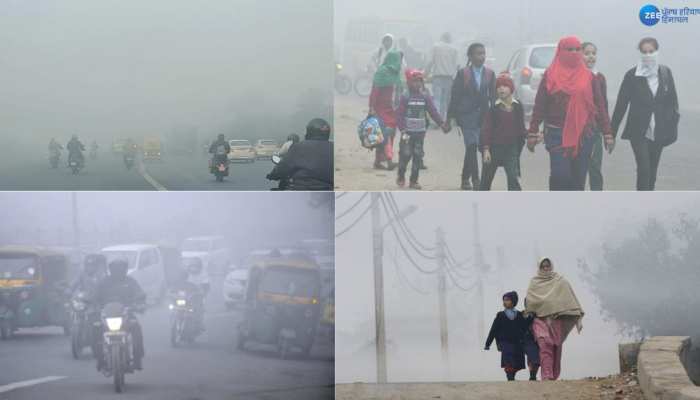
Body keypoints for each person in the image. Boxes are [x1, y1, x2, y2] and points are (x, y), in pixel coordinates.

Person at [527, 36, 613, 191]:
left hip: (584, 135)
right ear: (561, 52)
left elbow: (600, 106)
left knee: (578, 179)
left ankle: (574, 212)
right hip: (556, 133)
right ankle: (556, 208)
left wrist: (607, 133)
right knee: (560, 176)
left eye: (577, 50)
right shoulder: (550, 76)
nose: (574, 53)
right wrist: (532, 132)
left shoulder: (589, 77)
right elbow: (539, 106)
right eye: (569, 50)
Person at [610, 37, 679, 191]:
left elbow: (673, 103)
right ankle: (641, 201)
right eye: (644, 52)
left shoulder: (665, 73)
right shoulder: (632, 75)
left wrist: (671, 128)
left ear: (657, 51)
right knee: (644, 169)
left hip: (659, 131)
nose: (648, 55)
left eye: (651, 51)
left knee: (653, 171)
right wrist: (611, 133)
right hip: (638, 131)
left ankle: (649, 202)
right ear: (640, 53)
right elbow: (621, 105)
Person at [524, 258, 584, 381]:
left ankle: (553, 376)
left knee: (556, 348)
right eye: (543, 266)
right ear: (539, 268)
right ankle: (547, 375)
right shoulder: (534, 283)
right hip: (540, 321)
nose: (546, 268)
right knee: (545, 344)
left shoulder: (561, 282)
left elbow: (571, 302)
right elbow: (530, 304)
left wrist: (578, 320)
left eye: (548, 266)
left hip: (556, 321)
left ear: (551, 266)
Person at [447, 43, 496, 190]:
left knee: (479, 147)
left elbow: (493, 97)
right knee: (472, 146)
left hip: (483, 116)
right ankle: (476, 180)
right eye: (478, 53)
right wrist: (449, 118)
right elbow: (455, 96)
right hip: (466, 115)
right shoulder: (463, 74)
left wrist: (495, 117)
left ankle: (464, 179)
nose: (481, 56)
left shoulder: (490, 74)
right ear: (470, 56)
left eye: (483, 53)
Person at [395, 69, 448, 189]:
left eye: (420, 81)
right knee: (405, 154)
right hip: (407, 133)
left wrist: (441, 123)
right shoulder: (405, 96)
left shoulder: (425, 96)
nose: (418, 83)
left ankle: (414, 181)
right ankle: (401, 175)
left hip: (420, 133)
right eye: (414, 81)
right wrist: (402, 129)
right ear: (409, 82)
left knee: (417, 156)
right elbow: (399, 115)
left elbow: (433, 111)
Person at [91, 259, 146, 371]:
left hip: (126, 313)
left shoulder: (130, 281)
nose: (118, 271)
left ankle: (137, 359)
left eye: (121, 269)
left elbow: (139, 293)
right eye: (115, 269)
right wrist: (92, 305)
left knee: (136, 330)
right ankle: (99, 359)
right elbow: (94, 296)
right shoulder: (103, 282)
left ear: (125, 270)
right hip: (106, 314)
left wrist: (139, 304)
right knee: (95, 329)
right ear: (111, 270)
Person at [479, 74, 526, 191]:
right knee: (485, 181)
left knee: (513, 178)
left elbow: (521, 128)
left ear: (511, 88)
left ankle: (517, 205)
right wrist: (486, 149)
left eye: (505, 86)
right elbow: (487, 129)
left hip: (511, 149)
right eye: (499, 86)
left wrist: (532, 135)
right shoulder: (493, 109)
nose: (501, 88)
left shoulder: (517, 106)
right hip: (494, 149)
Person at [266, 118, 333, 190]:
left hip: (300, 189)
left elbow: (283, 167)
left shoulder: (298, 147)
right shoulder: (334, 149)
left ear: (309, 131)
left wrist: (273, 175)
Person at [582, 42, 611, 191]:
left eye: (593, 53)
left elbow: (603, 106)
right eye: (586, 53)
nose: (591, 57)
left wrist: (607, 133)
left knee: (595, 168)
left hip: (595, 131)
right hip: (577, 131)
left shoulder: (600, 78)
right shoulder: (573, 78)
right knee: (577, 171)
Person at [485, 291, 532, 381]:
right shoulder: (500, 315)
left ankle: (512, 376)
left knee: (516, 362)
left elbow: (524, 326)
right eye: (504, 300)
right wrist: (488, 344)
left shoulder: (518, 315)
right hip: (504, 342)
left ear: (513, 301)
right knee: (508, 360)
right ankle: (510, 377)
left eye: (507, 300)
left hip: (517, 343)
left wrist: (531, 317)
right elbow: (493, 330)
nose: (505, 302)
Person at [369, 51, 403, 170]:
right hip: (380, 109)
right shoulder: (382, 71)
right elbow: (375, 91)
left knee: (388, 134)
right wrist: (372, 108)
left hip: (391, 109)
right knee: (385, 133)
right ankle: (388, 159)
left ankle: (378, 161)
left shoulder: (396, 73)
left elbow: (399, 90)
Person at [425, 32, 458, 122]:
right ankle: (443, 120)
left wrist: (425, 74)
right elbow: (456, 65)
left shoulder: (436, 47)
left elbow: (430, 62)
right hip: (449, 78)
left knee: (437, 99)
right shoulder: (454, 49)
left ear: (441, 37)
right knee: (445, 101)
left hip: (438, 77)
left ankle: (436, 120)